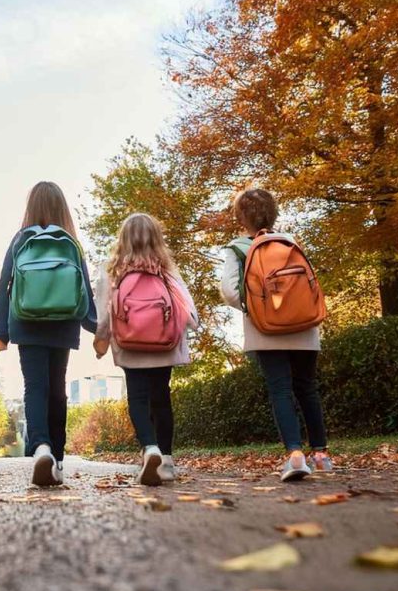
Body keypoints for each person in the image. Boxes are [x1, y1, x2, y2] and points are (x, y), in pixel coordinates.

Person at [219, 188, 331, 481]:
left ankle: (295, 454)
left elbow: (230, 291)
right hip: (304, 326)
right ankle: (321, 455)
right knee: (307, 388)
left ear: (241, 217)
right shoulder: (290, 242)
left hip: (265, 329)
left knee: (281, 389)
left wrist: (256, 306)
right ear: (274, 212)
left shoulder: (238, 248)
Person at [0, 182, 97, 486]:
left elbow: (4, 285)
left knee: (34, 386)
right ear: (62, 207)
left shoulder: (21, 238)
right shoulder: (71, 242)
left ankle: (41, 448)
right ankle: (58, 463)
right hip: (63, 322)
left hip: (26, 320)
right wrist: (94, 326)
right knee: (57, 390)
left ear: (31, 206)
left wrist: (1, 334)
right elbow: (84, 287)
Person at [93, 214, 199, 486]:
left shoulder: (113, 270)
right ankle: (167, 460)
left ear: (123, 239)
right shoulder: (165, 269)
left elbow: (104, 311)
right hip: (163, 344)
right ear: (156, 238)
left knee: (138, 399)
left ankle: (149, 447)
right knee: (161, 399)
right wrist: (190, 326)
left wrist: (101, 339)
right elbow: (188, 309)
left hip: (130, 345)